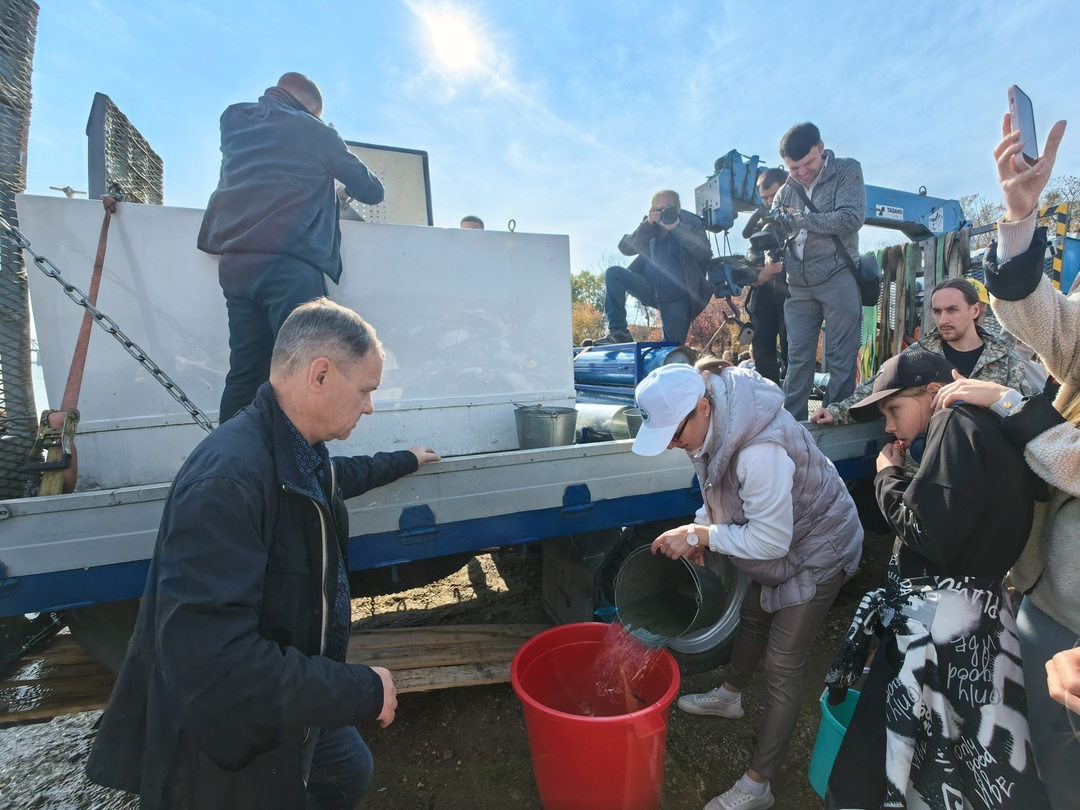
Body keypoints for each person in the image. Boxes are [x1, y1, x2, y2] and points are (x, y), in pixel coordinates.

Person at [86, 299, 440, 809]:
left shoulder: (296, 451)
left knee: (348, 767)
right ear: (320, 375)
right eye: (365, 390)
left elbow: (343, 476)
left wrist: (406, 458)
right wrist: (358, 688)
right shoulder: (228, 481)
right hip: (231, 739)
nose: (369, 406)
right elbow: (215, 664)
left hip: (289, 700)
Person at [632, 360, 862, 810]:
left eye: (674, 436)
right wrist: (702, 527)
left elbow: (771, 540)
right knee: (754, 615)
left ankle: (758, 785)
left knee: (781, 667)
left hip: (819, 550)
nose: (673, 446)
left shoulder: (759, 448)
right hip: (785, 544)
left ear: (701, 408)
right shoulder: (714, 422)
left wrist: (701, 536)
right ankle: (730, 698)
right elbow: (716, 490)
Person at [824, 349, 1049, 809]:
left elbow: (932, 533)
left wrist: (887, 478)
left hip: (935, 630)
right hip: (981, 622)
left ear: (932, 393)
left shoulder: (953, 422)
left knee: (895, 759)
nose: (888, 426)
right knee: (964, 759)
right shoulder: (991, 429)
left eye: (893, 409)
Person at [930, 111, 1076, 809]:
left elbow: (1052, 442)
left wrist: (1012, 409)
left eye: (953, 309)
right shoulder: (930, 360)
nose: (944, 321)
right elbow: (1047, 323)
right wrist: (1019, 221)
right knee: (1043, 753)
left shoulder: (1001, 368)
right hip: (1048, 598)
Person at [198, 72, 386, 423]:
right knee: (306, 370)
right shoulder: (316, 131)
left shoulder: (234, 118)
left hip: (237, 262)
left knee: (245, 370)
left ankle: (227, 461)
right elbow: (373, 190)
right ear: (312, 109)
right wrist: (331, 148)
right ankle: (299, 467)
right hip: (291, 264)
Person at [811, 277, 1036, 428]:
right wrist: (837, 412)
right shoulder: (919, 353)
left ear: (975, 310)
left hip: (987, 469)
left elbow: (1025, 413)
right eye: (937, 311)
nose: (943, 319)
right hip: (929, 467)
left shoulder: (1005, 359)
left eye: (952, 310)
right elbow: (875, 387)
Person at [771, 123, 866, 419]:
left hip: (837, 275)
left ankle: (836, 419)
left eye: (808, 163)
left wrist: (802, 219)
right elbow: (775, 231)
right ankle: (792, 423)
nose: (801, 172)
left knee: (840, 356)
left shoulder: (847, 169)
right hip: (797, 284)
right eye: (793, 167)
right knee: (797, 358)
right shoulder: (784, 191)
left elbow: (851, 217)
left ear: (821, 148)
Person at [593, 189, 713, 346]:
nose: (663, 212)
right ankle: (619, 332)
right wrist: (646, 225)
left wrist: (677, 228)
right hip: (650, 288)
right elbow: (625, 249)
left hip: (678, 297)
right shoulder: (650, 225)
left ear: (678, 208)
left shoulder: (692, 223)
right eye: (658, 209)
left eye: (668, 207)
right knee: (614, 273)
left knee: (671, 350)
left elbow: (704, 252)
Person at [740, 168, 789, 385]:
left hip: (792, 296)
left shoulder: (800, 219)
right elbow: (751, 260)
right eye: (765, 198)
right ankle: (770, 403)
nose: (769, 202)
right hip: (763, 301)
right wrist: (760, 272)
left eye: (774, 196)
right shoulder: (759, 224)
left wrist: (770, 272)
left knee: (792, 352)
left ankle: (794, 410)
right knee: (762, 352)